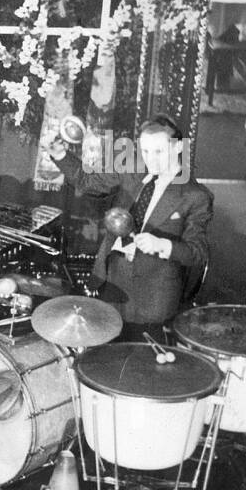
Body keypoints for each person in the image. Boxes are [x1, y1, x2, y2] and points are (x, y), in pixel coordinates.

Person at [50, 115, 212, 340]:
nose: (151, 160)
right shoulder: (132, 173)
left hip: (153, 301)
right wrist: (60, 155)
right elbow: (88, 182)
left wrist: (163, 245)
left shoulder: (195, 196)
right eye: (145, 152)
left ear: (177, 149)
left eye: (158, 152)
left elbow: (198, 253)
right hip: (112, 288)